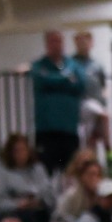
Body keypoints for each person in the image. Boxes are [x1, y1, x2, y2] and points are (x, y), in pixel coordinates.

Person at [29, 32, 85, 173]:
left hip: (69, 130)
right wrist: (65, 79)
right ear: (47, 44)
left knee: (71, 170)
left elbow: (81, 85)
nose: (56, 45)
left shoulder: (74, 65)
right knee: (46, 169)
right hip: (46, 130)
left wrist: (52, 80)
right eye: (53, 41)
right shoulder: (38, 65)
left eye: (59, 41)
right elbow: (41, 80)